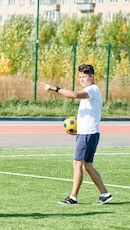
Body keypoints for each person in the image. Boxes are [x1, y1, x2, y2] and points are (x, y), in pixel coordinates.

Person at [43, 64, 113, 205]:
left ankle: (73, 197)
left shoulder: (92, 89)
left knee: (77, 164)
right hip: (87, 132)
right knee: (87, 166)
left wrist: (55, 88)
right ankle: (105, 194)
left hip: (88, 134)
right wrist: (78, 130)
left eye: (84, 77)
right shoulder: (90, 90)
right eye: (80, 77)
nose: (81, 79)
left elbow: (74, 95)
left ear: (91, 77)